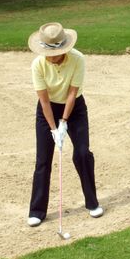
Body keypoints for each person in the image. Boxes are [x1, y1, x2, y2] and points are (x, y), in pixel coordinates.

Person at [27, 22, 103, 227]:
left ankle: (92, 202)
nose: (50, 57)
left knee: (82, 153)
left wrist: (64, 123)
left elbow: (71, 93)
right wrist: (53, 129)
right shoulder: (38, 65)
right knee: (43, 159)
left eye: (54, 53)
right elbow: (44, 101)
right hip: (47, 110)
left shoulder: (78, 59)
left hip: (75, 109)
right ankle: (37, 211)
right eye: (47, 53)